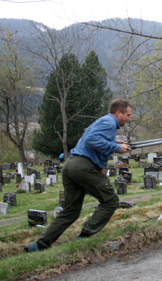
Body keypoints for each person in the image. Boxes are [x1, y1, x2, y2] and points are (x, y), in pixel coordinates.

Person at [24, 99, 132, 252]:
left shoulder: (103, 122)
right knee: (110, 201)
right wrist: (115, 147)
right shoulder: (109, 122)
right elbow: (91, 139)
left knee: (71, 211)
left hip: (71, 165)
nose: (128, 119)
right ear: (118, 112)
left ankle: (38, 245)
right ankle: (85, 236)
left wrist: (115, 143)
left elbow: (91, 139)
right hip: (84, 167)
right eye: (127, 115)